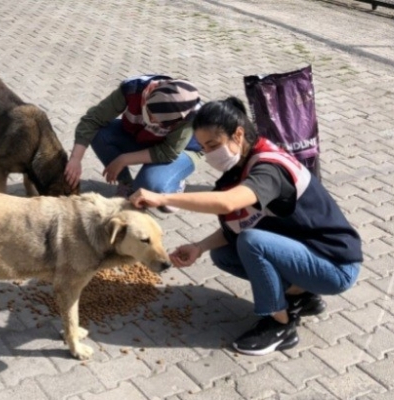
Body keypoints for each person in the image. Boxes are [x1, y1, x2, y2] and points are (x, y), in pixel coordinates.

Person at [128, 96, 362, 356]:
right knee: (225, 254)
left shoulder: (269, 168)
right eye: (204, 147)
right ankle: (300, 295)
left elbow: (228, 204)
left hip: (336, 265)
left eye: (213, 144)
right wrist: (199, 246)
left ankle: (279, 325)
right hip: (310, 253)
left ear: (238, 134)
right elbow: (240, 222)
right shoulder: (241, 166)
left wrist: (163, 197)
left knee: (252, 243)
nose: (208, 154)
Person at [64, 74, 204, 212]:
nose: (156, 123)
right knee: (100, 133)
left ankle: (174, 182)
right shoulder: (133, 89)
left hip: (180, 152)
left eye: (163, 123)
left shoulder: (188, 110)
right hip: (144, 138)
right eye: (152, 117)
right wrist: (76, 159)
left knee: (150, 186)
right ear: (147, 97)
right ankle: (126, 185)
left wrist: (123, 159)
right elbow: (93, 120)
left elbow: (169, 152)